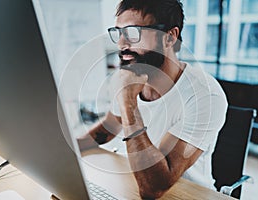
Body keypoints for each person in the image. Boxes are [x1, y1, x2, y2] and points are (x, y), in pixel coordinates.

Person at [77, 0, 228, 199]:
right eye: (119, 33)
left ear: (169, 37)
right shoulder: (131, 76)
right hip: (131, 183)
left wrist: (128, 103)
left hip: (185, 194)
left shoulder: (205, 95)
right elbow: (107, 129)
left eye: (133, 33)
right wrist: (64, 148)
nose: (122, 44)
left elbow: (153, 188)